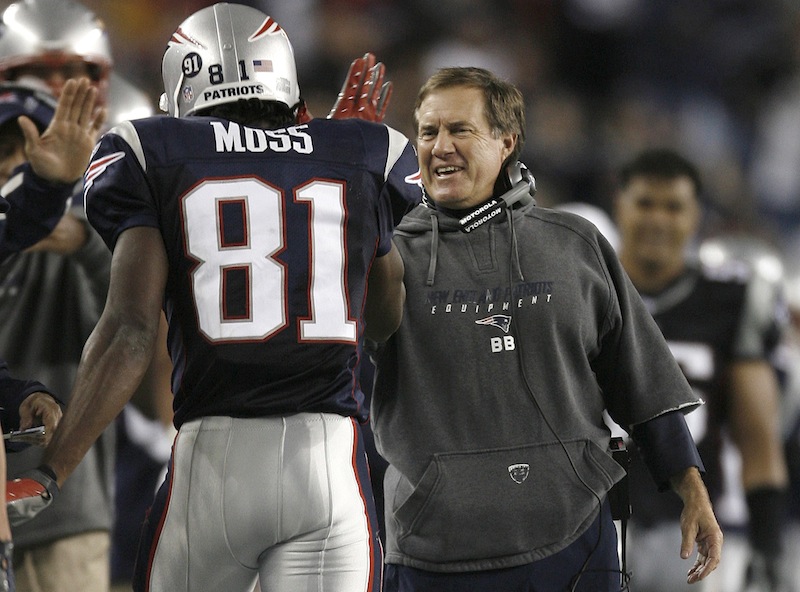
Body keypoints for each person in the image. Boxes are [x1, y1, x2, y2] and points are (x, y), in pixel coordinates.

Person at [10, 3, 421, 592]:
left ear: (183, 79)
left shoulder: (153, 152)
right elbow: (382, 319)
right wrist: (357, 201)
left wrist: (55, 468)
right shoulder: (360, 154)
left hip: (214, 461)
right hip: (328, 465)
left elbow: (130, 328)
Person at [365, 66, 723, 592]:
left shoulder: (575, 243)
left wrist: (692, 489)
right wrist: (351, 196)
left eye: (460, 130)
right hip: (434, 552)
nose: (440, 146)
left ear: (507, 141)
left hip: (576, 541)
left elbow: (640, 378)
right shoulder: (386, 254)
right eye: (427, 132)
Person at [0, 2, 172, 590]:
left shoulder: (126, 134)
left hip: (68, 488)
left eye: (77, 67)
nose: (61, 84)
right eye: (44, 68)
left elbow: (143, 301)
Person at [612, 148, 790, 592]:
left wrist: (768, 545)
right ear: (621, 206)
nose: (657, 220)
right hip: (593, 520)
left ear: (695, 216)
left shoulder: (729, 300)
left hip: (688, 526)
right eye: (645, 203)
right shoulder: (585, 286)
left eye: (673, 207)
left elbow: (758, 435)